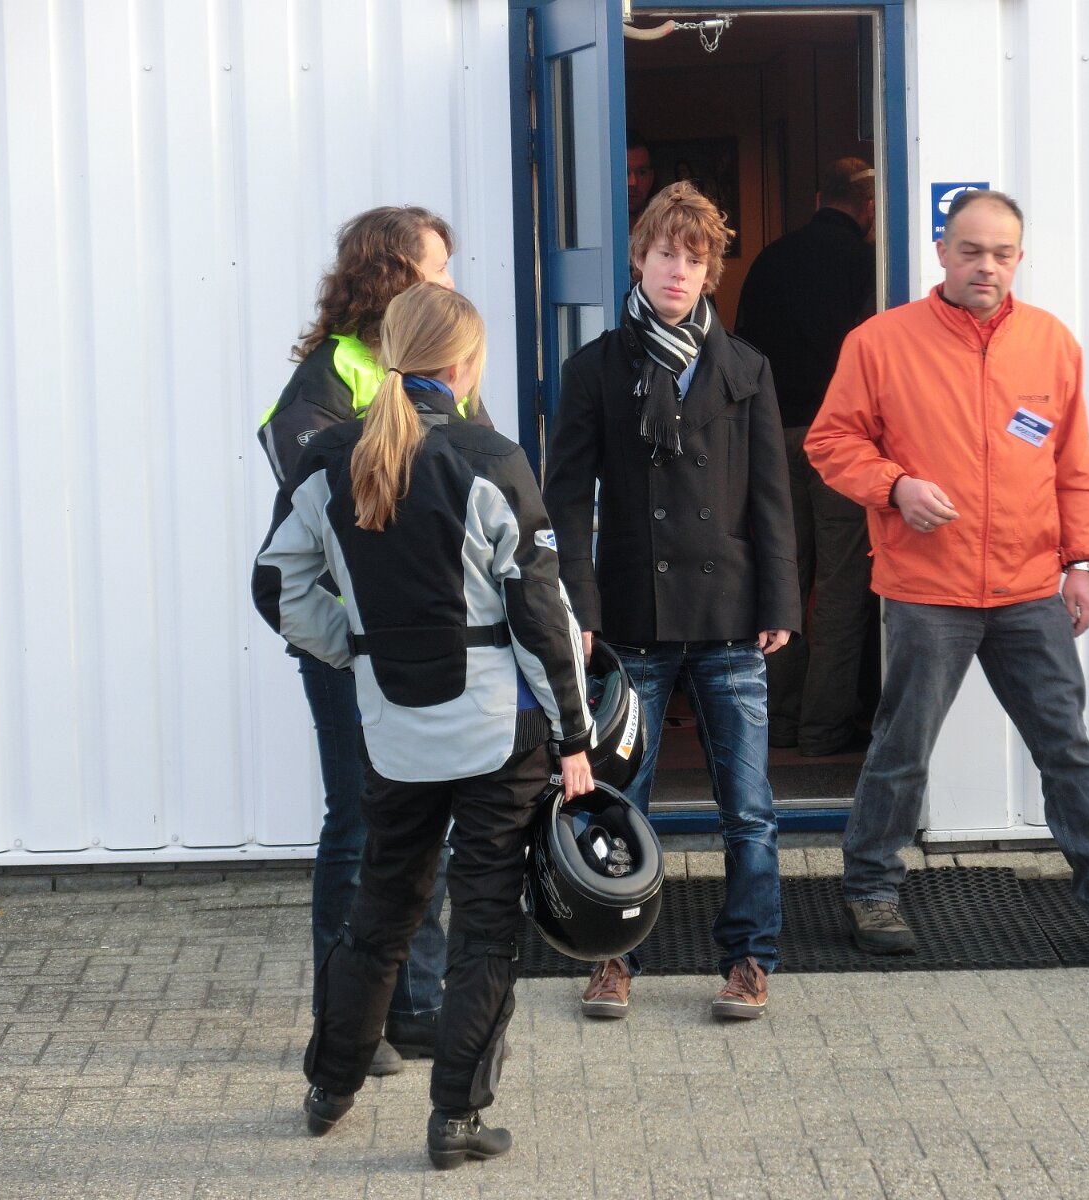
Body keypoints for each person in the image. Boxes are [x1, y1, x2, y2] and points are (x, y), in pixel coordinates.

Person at [253, 283, 595, 1167]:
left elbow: (275, 585)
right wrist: (574, 737)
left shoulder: (331, 457)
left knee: (381, 909)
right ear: (465, 364)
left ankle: (329, 1088)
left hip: (394, 727)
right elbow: (541, 612)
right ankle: (457, 1120)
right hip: (496, 735)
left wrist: (355, 650)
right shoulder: (490, 458)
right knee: (485, 925)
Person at [806, 188, 1089, 964]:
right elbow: (831, 442)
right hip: (927, 590)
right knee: (902, 749)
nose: (986, 266)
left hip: (1029, 587)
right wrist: (895, 486)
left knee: (1066, 750)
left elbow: (1073, 465)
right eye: (970, 251)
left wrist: (1080, 562)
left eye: (1002, 253)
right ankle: (871, 891)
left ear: (1019, 257)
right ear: (941, 251)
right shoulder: (880, 342)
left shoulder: (1050, 343)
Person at [543, 182, 800, 1020]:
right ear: (639, 259)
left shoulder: (745, 368)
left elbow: (771, 498)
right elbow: (564, 502)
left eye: (694, 258)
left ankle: (750, 959)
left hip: (730, 617)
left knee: (749, 807)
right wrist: (579, 610)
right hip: (632, 620)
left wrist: (781, 600)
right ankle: (612, 956)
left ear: (711, 270)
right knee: (623, 800)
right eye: (664, 254)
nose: (677, 271)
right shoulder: (594, 370)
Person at [258, 206, 492, 1073]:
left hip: (432, 637)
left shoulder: (447, 363)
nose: (452, 282)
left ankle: (415, 1006)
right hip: (351, 644)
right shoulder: (326, 380)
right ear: (395, 275)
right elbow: (315, 522)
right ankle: (344, 1019)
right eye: (439, 267)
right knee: (359, 823)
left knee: (422, 821)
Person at [736, 157, 878, 756]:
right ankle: (824, 730)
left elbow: (741, 353)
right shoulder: (866, 264)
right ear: (868, 208)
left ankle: (781, 721)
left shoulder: (769, 259)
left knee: (784, 582)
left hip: (773, 438)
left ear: (820, 197)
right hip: (841, 443)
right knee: (842, 588)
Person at [627, 134, 657, 226]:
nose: (632, 182)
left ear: (651, 178)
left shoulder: (665, 230)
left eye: (641, 172)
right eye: (624, 172)